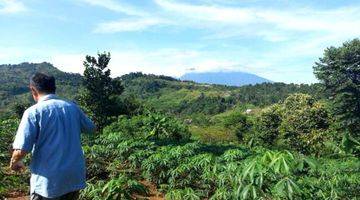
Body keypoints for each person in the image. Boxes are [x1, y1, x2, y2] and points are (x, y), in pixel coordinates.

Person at [9, 72, 96, 200]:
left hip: (49, 182)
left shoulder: (33, 112)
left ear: (33, 90)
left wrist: (14, 162)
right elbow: (91, 129)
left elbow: (21, 150)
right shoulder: (72, 107)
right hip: (73, 177)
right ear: (54, 88)